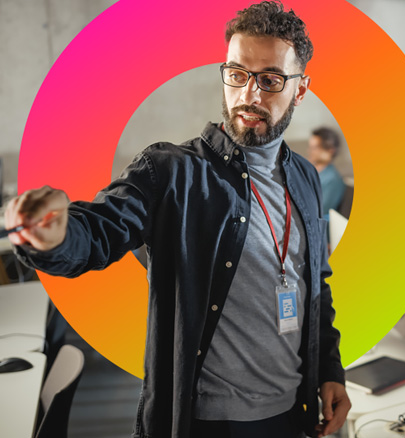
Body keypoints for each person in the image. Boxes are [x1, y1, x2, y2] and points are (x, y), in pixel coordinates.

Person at [4, 2, 350, 437]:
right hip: (205, 423)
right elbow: (99, 231)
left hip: (292, 414)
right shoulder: (170, 172)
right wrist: (55, 236)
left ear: (300, 89)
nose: (250, 95)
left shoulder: (305, 177)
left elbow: (315, 286)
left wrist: (328, 371)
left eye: (270, 79)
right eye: (238, 74)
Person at [307, 127, 346, 219]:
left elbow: (321, 210)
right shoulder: (311, 171)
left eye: (315, 148)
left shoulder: (333, 179)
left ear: (330, 150)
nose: (310, 152)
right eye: (310, 147)